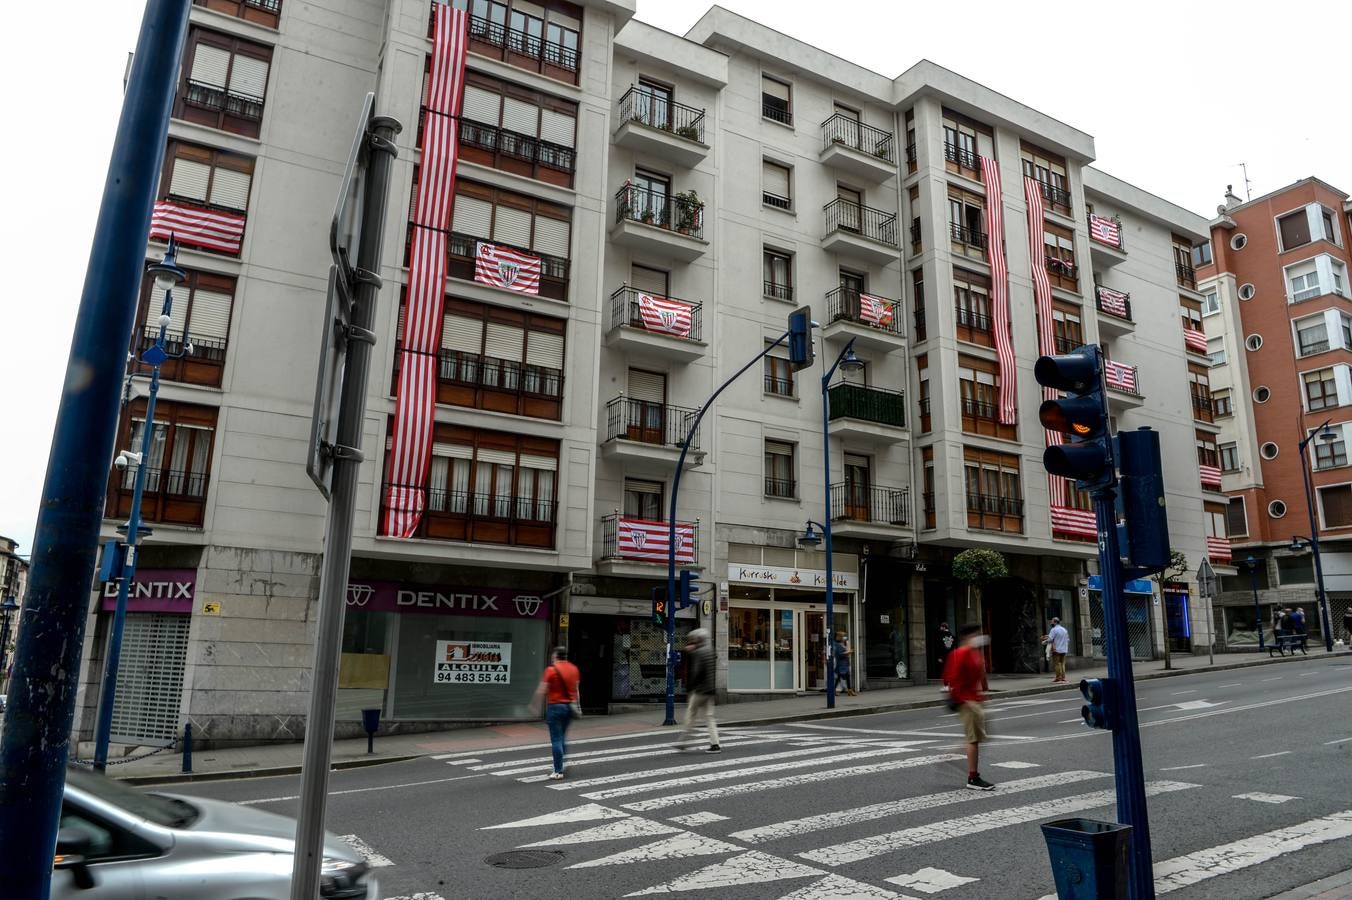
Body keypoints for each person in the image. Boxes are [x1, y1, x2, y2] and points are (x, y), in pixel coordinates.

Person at [942, 624, 994, 791]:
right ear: (967, 637)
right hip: (967, 702)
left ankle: (952, 755)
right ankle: (973, 777)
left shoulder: (974, 652)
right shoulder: (961, 653)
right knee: (973, 739)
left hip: (975, 700)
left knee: (978, 737)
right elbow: (950, 678)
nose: (978, 637)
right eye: (975, 634)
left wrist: (984, 693)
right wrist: (962, 700)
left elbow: (981, 673)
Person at [531, 647, 581, 780]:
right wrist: (577, 706)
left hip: (555, 707)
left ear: (555, 656)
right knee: (562, 736)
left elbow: (542, 690)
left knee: (556, 739)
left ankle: (558, 770)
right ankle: (561, 764)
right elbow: (576, 690)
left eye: (553, 655)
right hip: (569, 707)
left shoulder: (551, 670)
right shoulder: (574, 669)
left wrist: (535, 705)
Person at [677, 628, 720, 753]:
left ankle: (683, 740)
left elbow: (696, 672)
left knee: (691, 714)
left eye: (695, 639)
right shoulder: (711, 651)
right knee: (709, 717)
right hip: (710, 690)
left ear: (699, 639)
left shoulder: (699, 652)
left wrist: (690, 689)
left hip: (700, 690)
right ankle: (715, 744)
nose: (693, 641)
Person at [1045, 617, 1070, 684]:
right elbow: (1068, 640)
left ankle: (1058, 678)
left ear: (1055, 622)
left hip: (1056, 649)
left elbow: (1050, 639)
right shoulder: (1064, 630)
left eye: (1052, 622)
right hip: (1064, 649)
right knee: (1062, 664)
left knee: (1057, 664)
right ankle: (1063, 678)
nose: (1051, 623)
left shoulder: (1054, 630)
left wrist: (1044, 641)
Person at [833, 631, 856, 697]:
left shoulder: (842, 644)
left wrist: (848, 647)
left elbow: (845, 649)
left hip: (845, 662)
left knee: (845, 676)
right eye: (843, 636)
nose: (844, 637)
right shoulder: (836, 645)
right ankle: (848, 690)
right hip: (841, 663)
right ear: (839, 637)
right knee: (841, 676)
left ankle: (849, 690)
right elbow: (839, 655)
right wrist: (848, 652)